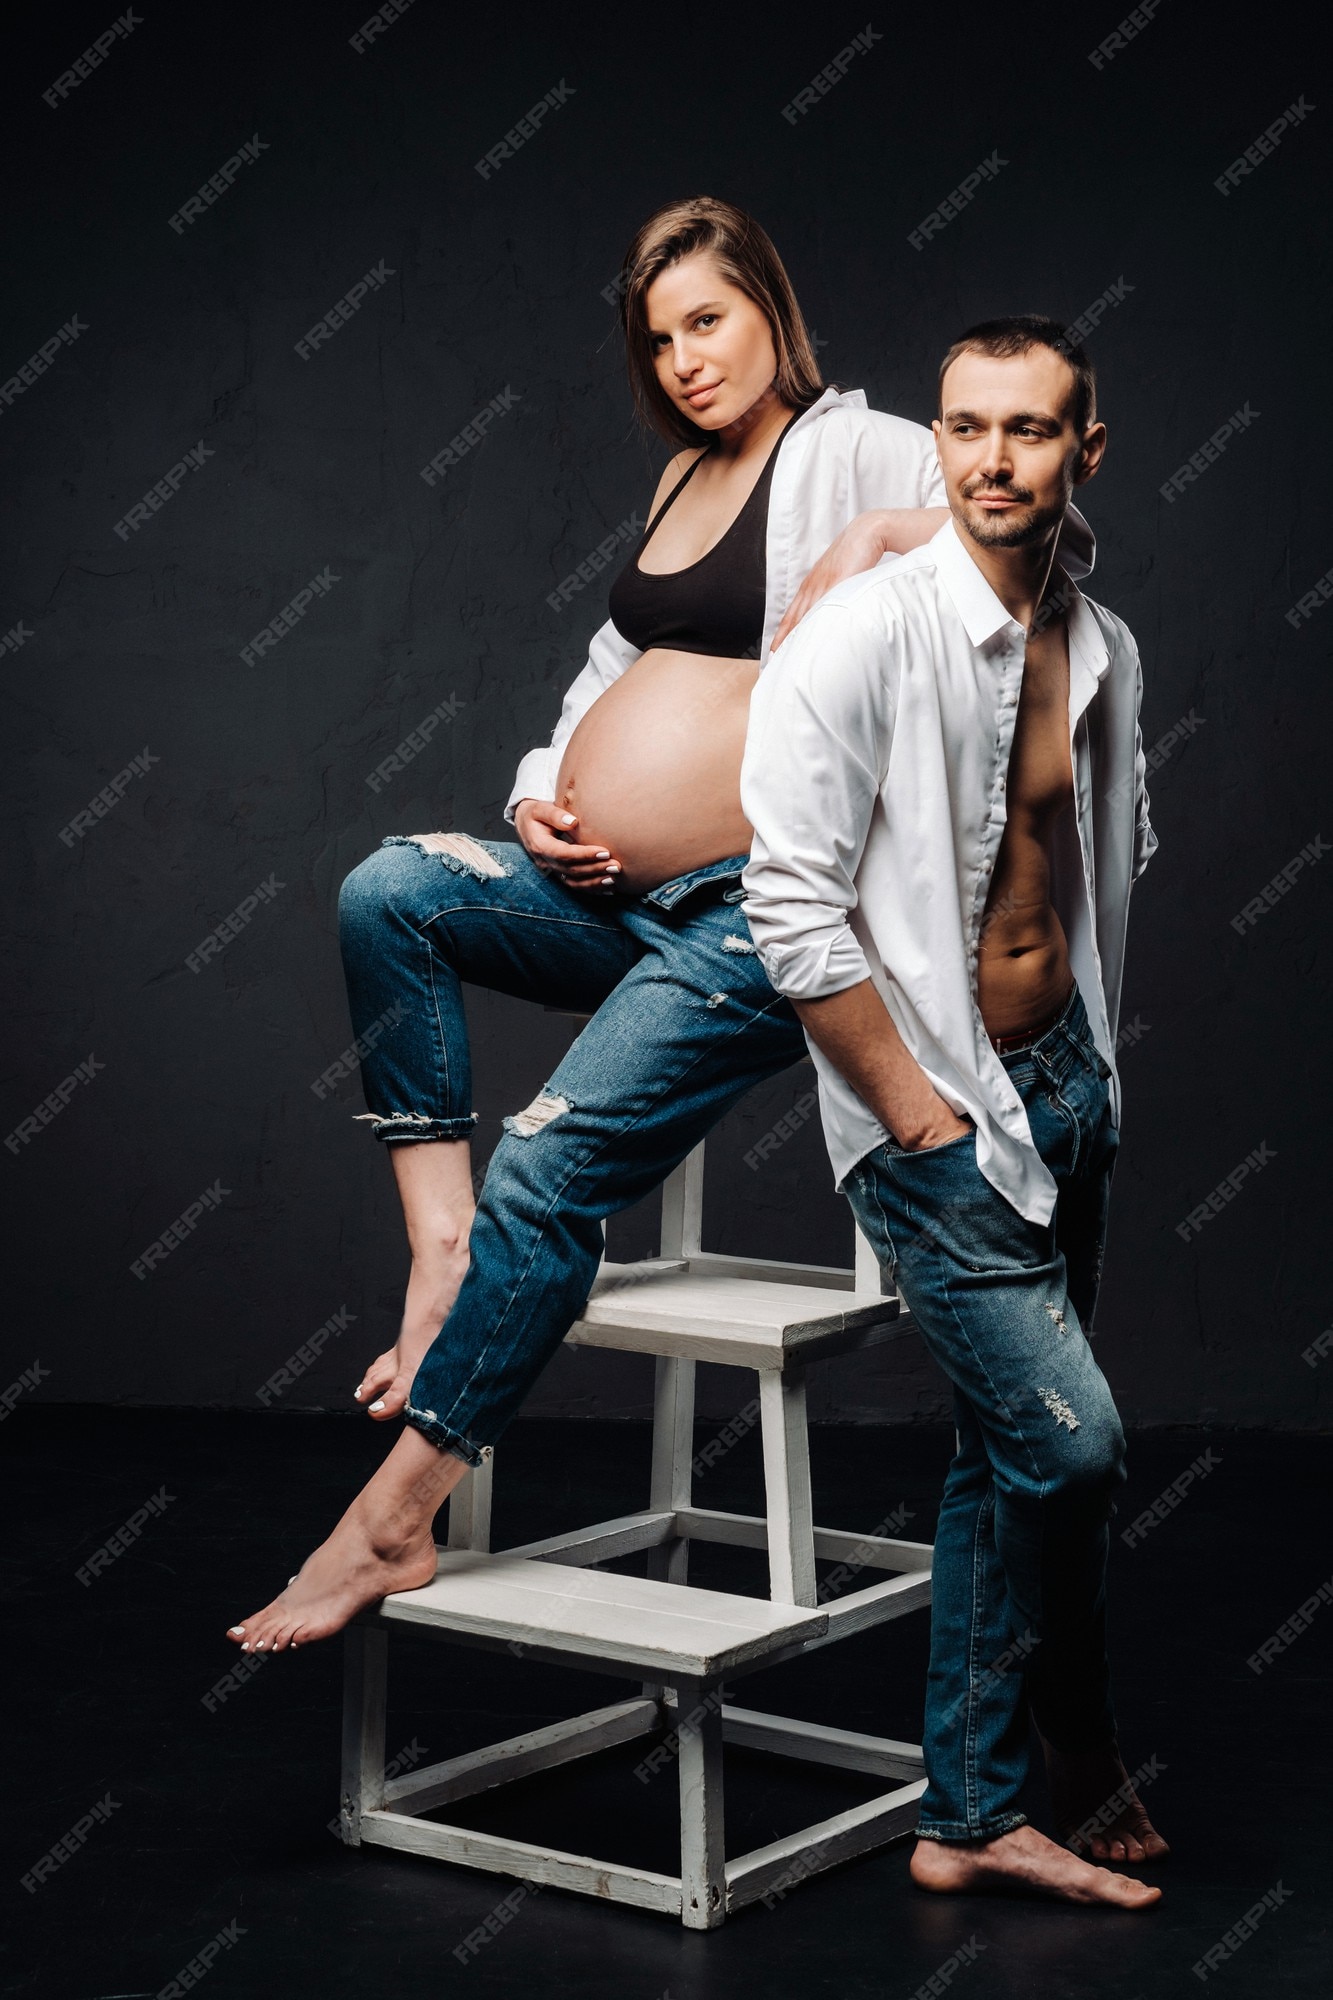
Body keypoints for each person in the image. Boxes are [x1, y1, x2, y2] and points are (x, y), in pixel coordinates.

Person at [225, 205, 1090, 1657]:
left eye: (708, 320)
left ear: (770, 310)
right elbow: (606, 672)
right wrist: (536, 792)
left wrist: (897, 522)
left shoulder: (863, 445)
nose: (683, 359)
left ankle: (392, 1517)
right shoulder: (686, 472)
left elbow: (1032, 517)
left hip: (759, 916)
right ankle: (441, 1258)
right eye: (658, 336)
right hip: (615, 894)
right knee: (391, 888)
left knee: (551, 1162)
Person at [738, 316, 1165, 1909]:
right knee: (1071, 1444)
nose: (990, 461)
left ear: (1084, 450)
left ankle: (993, 1794)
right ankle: (1017, 1768)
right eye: (964, 429)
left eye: (1030, 430)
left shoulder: (1101, 643)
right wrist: (915, 1116)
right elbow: (790, 912)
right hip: (935, 1110)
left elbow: (1087, 874)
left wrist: (1094, 1064)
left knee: (1013, 1450)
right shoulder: (864, 636)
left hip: (1064, 1080)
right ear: (936, 439)